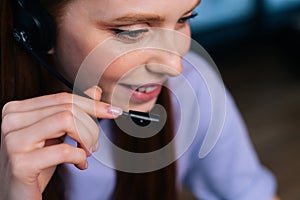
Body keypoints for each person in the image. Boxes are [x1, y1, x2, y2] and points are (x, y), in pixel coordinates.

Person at [0, 0, 278, 199]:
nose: (174, 66)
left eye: (184, 19)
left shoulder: (193, 87)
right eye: (132, 32)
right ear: (36, 29)